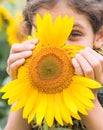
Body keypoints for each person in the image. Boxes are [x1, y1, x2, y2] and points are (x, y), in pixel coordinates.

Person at [4, 0, 103, 130]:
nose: (58, 47)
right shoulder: (30, 92)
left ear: (99, 36)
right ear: (28, 35)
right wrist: (22, 88)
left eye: (74, 34)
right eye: (44, 34)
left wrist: (89, 101)